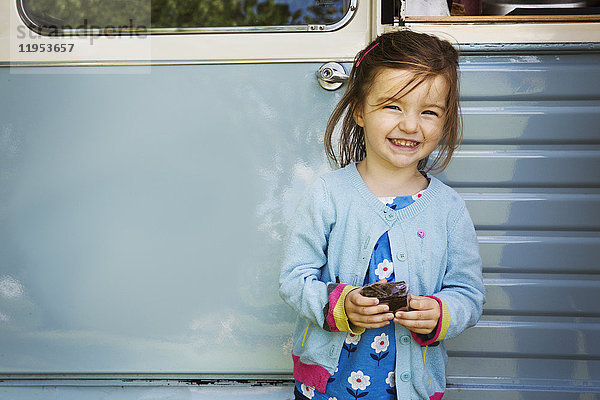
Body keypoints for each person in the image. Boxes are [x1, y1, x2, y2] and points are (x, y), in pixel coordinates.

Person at [279, 29, 485, 400]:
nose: (410, 125)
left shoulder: (448, 208)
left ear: (445, 120)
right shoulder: (329, 194)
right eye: (393, 106)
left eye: (429, 112)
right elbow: (294, 279)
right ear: (359, 109)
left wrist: (442, 314)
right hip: (326, 390)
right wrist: (339, 305)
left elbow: (469, 294)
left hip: (413, 389)